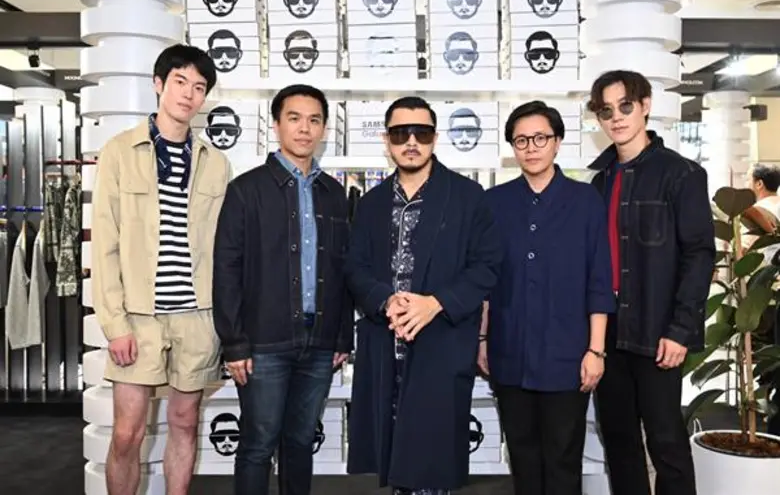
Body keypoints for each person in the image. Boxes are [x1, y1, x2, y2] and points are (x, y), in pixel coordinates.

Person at [345, 96, 503, 494]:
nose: (412, 141)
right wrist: (386, 300)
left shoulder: (468, 196)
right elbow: (354, 267)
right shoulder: (371, 203)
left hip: (442, 341)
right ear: (386, 140)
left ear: (435, 137)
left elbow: (486, 267)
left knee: (434, 463)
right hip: (385, 344)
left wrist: (435, 303)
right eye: (401, 133)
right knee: (393, 458)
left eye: (422, 132)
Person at [92, 44, 229, 495]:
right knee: (127, 434)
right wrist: (115, 325)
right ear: (158, 84)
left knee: (185, 424)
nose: (189, 94)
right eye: (180, 82)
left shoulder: (215, 163)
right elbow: (104, 244)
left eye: (199, 87)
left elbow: (223, 248)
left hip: (197, 318)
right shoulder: (119, 151)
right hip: (138, 319)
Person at [212, 84, 354, 495]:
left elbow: (344, 269)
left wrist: (342, 334)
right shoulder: (246, 190)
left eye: (314, 120)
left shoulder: (334, 194)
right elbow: (226, 269)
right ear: (276, 125)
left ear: (324, 129)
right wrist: (234, 343)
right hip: (263, 343)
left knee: (300, 442)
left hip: (320, 343)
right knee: (258, 445)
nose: (304, 129)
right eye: (294, 118)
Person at [586, 70, 716, 495]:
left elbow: (699, 255)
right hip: (609, 330)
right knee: (618, 439)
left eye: (625, 106)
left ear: (645, 106)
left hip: (657, 328)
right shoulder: (600, 180)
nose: (616, 118)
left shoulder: (681, 174)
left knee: (666, 441)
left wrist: (680, 329)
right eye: (606, 111)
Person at [478, 101, 614, 495]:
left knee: (562, 460)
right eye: (521, 140)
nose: (531, 147)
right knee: (522, 457)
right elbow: (486, 279)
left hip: (567, 354)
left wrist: (596, 350)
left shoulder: (586, 200)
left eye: (540, 138)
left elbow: (599, 279)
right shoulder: (494, 202)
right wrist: (483, 339)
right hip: (510, 351)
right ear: (512, 147)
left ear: (557, 142)